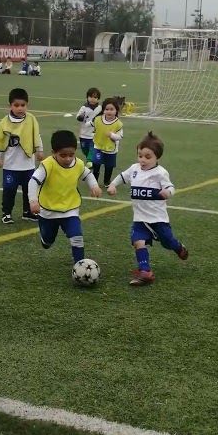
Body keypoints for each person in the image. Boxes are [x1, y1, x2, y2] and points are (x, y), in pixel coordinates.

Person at [107, 132, 189, 286]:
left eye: (147, 157)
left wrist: (167, 192)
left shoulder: (160, 173)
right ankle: (145, 271)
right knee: (137, 241)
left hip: (158, 219)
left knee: (168, 242)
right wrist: (113, 185)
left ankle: (179, 248)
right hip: (140, 218)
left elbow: (170, 187)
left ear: (157, 157)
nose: (142, 160)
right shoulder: (134, 169)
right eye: (140, 155)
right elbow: (122, 177)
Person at [27, 129, 102, 266]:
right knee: (48, 241)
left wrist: (94, 186)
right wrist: (33, 201)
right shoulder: (47, 165)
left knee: (77, 237)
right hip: (48, 211)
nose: (68, 159)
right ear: (53, 152)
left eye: (71, 155)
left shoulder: (78, 164)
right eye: (63, 155)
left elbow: (88, 175)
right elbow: (33, 181)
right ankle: (46, 239)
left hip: (70, 209)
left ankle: (79, 264)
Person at [0, 88, 44, 224]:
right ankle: (6, 213)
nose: (20, 108)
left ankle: (28, 212)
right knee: (9, 190)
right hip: (11, 166)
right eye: (16, 105)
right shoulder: (4, 123)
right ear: (10, 106)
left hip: (28, 165)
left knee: (29, 189)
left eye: (23, 105)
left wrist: (40, 150)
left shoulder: (31, 119)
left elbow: (36, 135)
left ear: (27, 105)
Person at [75, 87, 103, 163]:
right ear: (87, 97)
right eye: (91, 97)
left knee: (92, 148)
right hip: (84, 133)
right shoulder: (84, 108)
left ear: (98, 98)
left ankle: (90, 161)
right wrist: (81, 117)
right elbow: (78, 117)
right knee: (85, 149)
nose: (92, 99)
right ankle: (90, 159)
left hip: (95, 133)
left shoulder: (100, 108)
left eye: (95, 97)